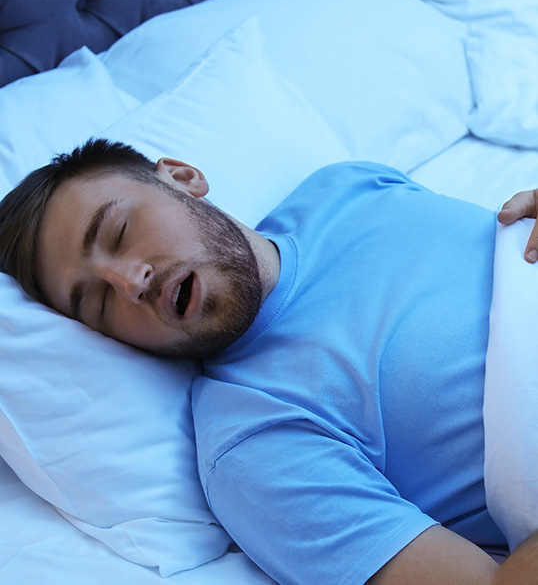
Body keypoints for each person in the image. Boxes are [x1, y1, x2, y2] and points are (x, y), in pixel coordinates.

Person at [0, 138, 537, 584]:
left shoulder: (348, 186)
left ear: (183, 177)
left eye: (119, 232)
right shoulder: (253, 442)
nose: (129, 283)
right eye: (97, 303)